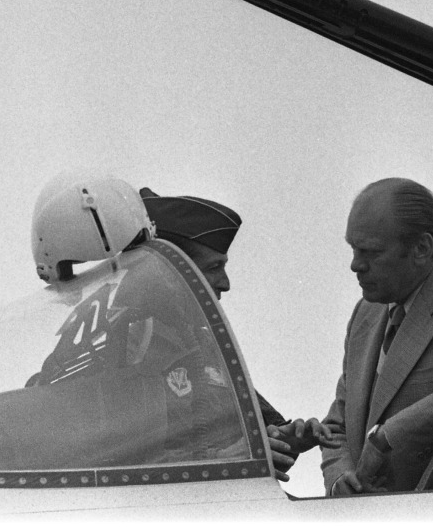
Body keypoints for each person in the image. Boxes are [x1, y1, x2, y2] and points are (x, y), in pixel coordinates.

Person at [139, 187, 336, 480]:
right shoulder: (126, 350)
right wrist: (231, 459)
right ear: (173, 273)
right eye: (214, 267)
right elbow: (123, 467)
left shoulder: (207, 345)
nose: (225, 283)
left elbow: (264, 429)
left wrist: (289, 436)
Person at [320, 178, 433, 495]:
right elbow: (338, 425)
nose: (355, 265)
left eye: (371, 252)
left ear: (422, 248)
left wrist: (387, 437)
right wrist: (340, 478)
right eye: (353, 249)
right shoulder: (365, 314)